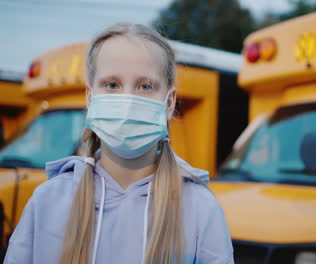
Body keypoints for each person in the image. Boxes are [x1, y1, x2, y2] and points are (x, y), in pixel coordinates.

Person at [4, 23, 234, 264]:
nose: (127, 100)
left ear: (169, 102)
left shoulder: (200, 208)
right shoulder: (47, 201)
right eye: (112, 85)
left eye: (145, 86)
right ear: (90, 98)